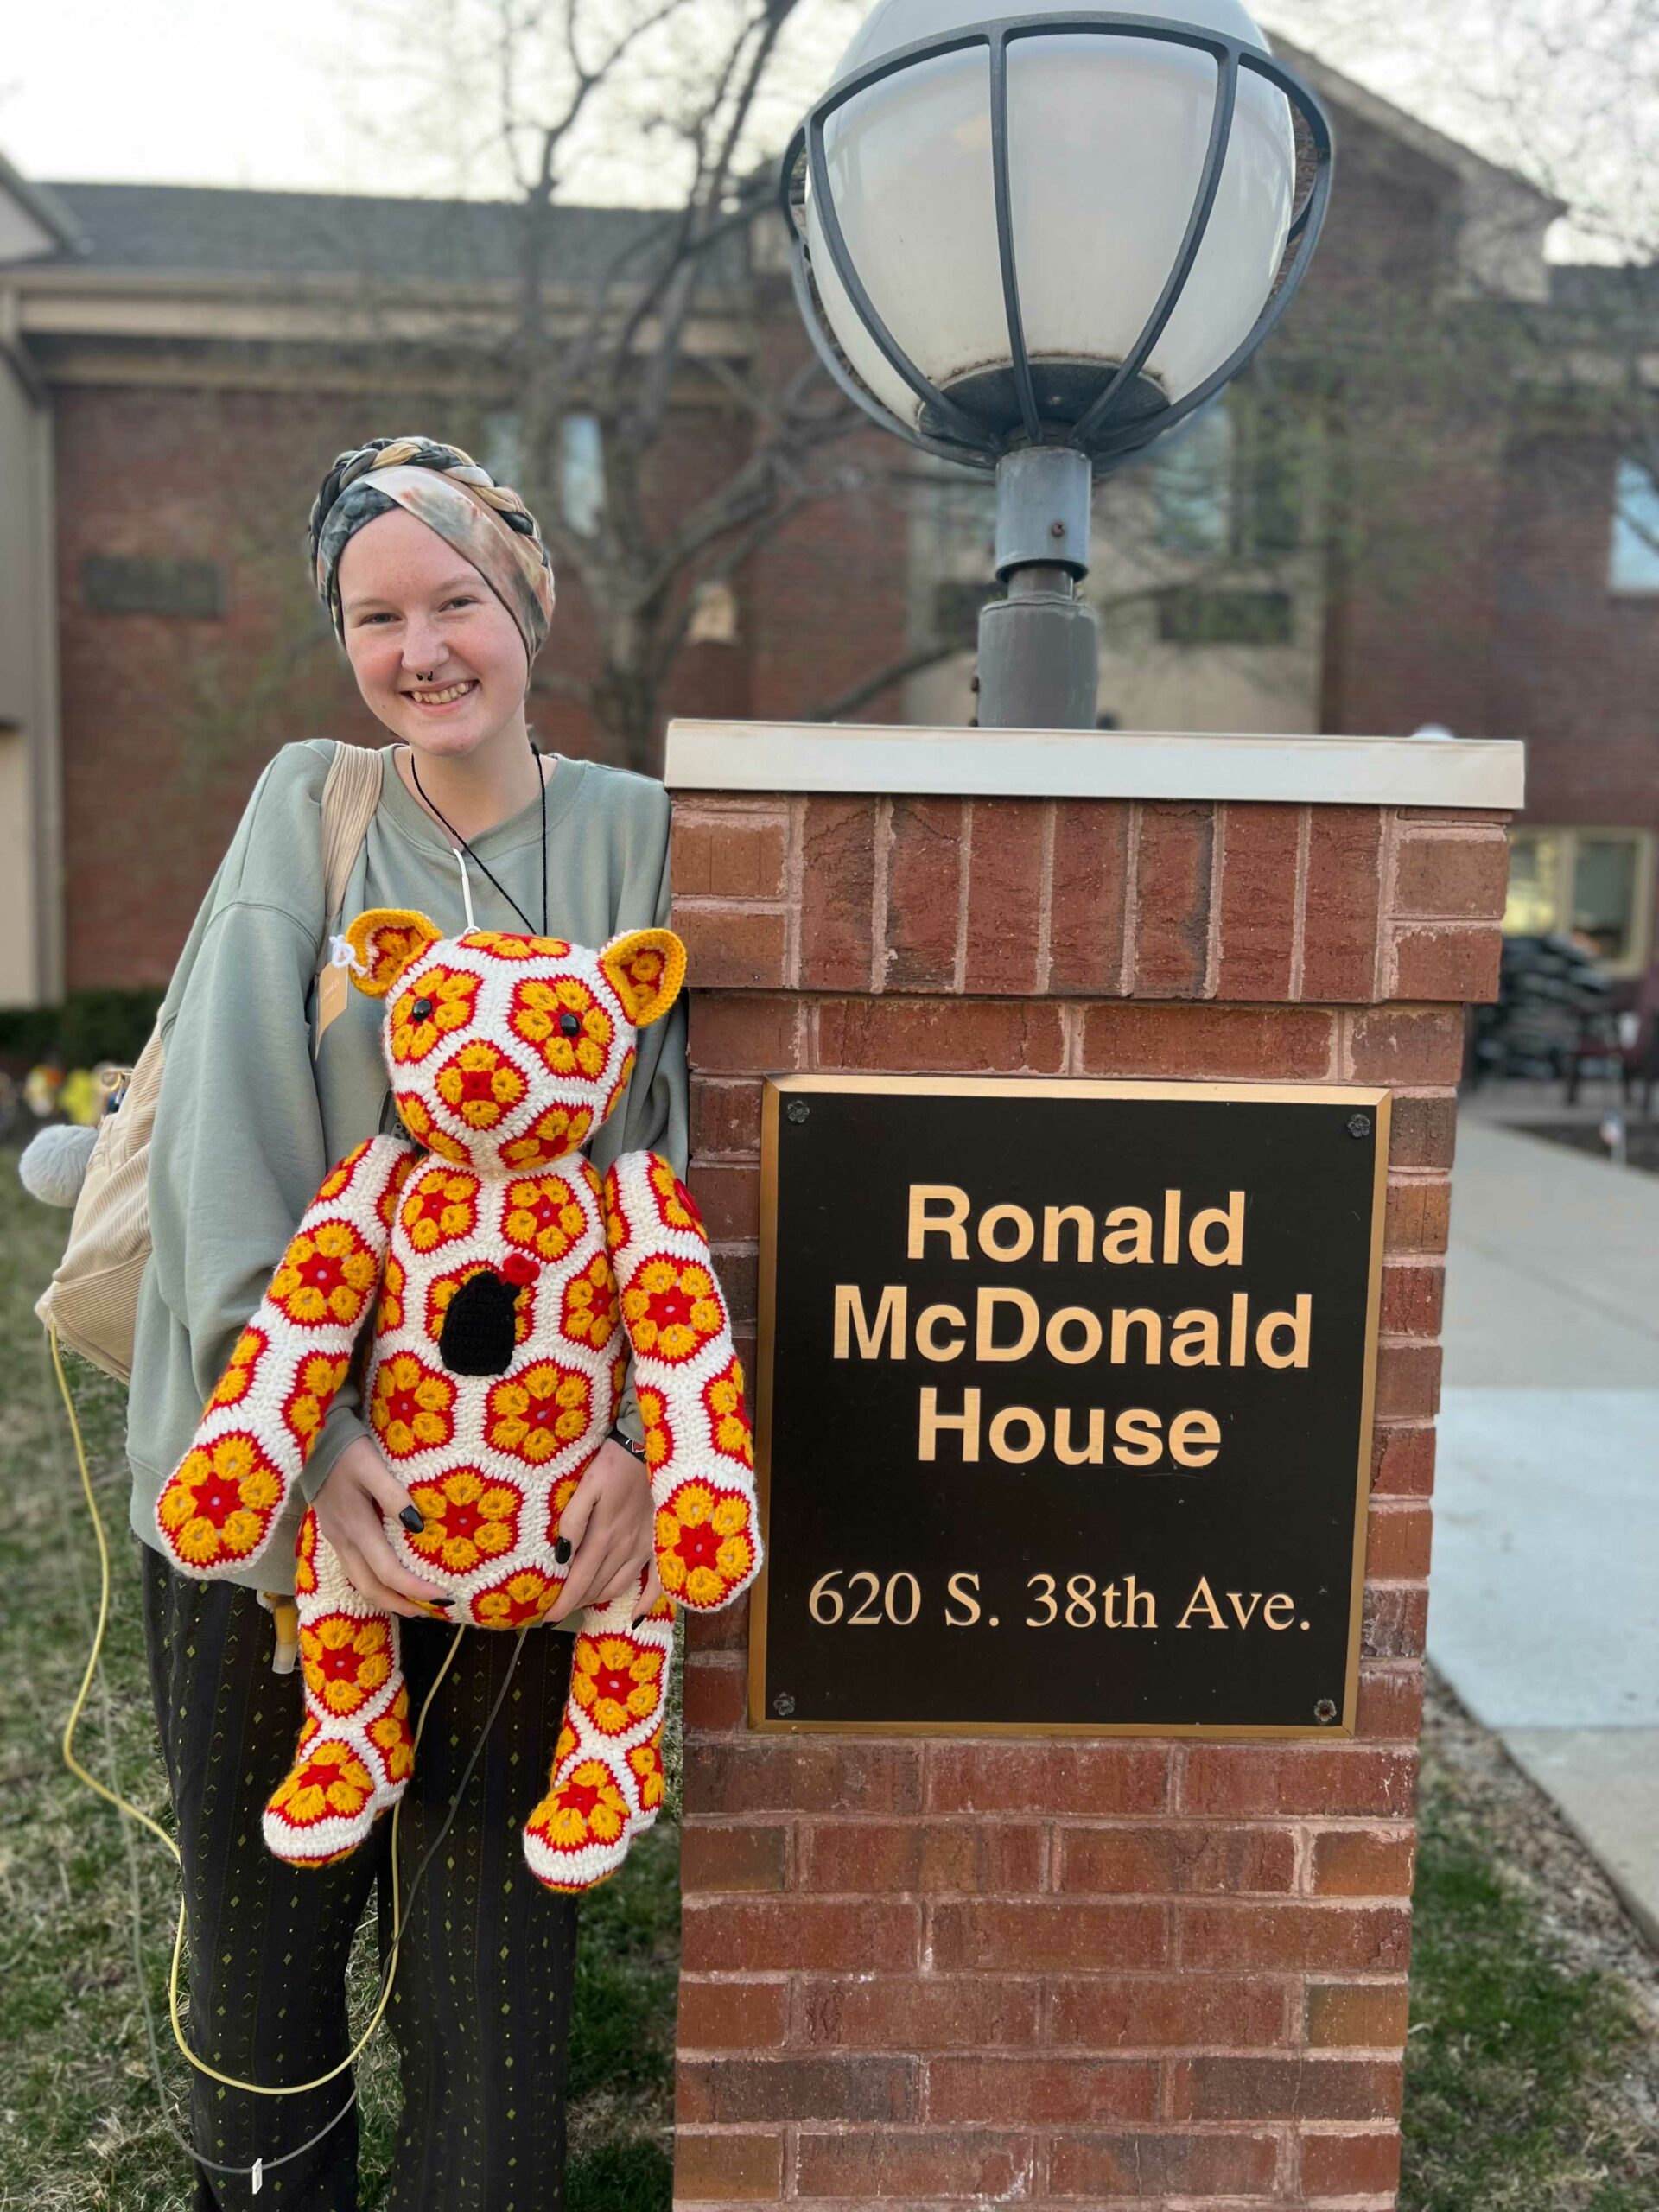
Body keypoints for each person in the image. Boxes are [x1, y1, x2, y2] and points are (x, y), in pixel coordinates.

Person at [124, 435, 686, 2209]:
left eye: (455, 598)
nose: (420, 647)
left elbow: (650, 1170)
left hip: (527, 1514)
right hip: (293, 1497)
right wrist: (311, 1451)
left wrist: (629, 1450)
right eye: (376, 615)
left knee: (492, 1972)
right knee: (269, 1954)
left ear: (527, 601)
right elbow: (233, 1144)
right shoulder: (313, 804)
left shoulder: (636, 834)